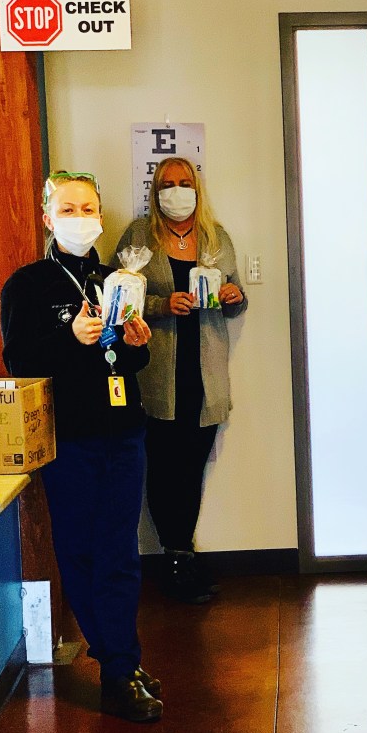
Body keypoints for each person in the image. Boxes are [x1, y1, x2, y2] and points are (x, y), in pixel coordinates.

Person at [1, 171, 163, 723]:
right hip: (69, 439)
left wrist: (138, 343)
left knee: (120, 551)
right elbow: (20, 361)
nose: (80, 218)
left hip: (124, 431)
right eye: (67, 209)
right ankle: (119, 663)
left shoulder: (116, 278)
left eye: (88, 208)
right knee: (81, 551)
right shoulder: (27, 285)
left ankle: (121, 662)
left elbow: (129, 361)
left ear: (100, 214)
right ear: (48, 218)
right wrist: (69, 338)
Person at [114, 157, 247, 604]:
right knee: (163, 469)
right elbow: (117, 299)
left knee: (191, 470)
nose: (176, 191)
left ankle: (181, 555)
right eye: (167, 184)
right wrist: (160, 304)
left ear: (197, 188)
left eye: (184, 182)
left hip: (205, 377)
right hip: (158, 378)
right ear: (155, 192)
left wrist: (233, 295)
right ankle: (174, 560)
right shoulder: (139, 236)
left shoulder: (216, 237)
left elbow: (238, 299)